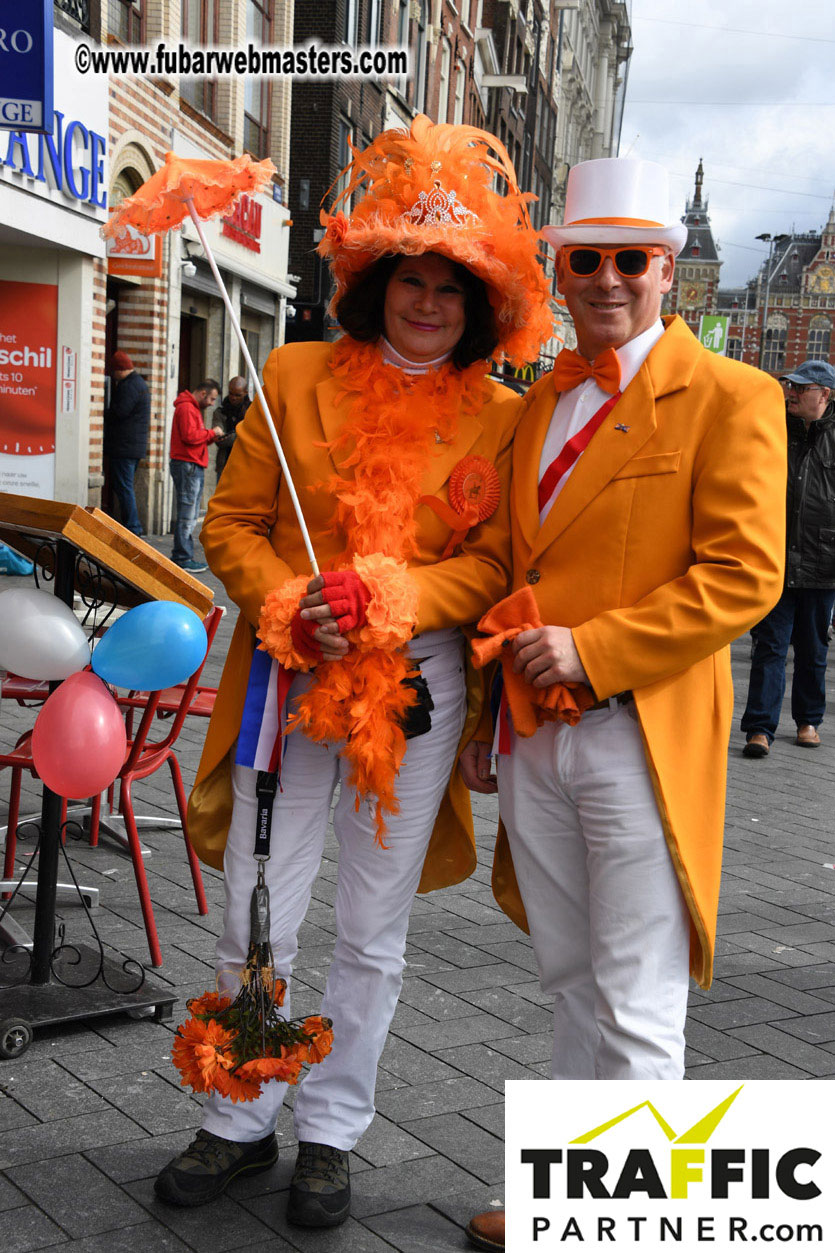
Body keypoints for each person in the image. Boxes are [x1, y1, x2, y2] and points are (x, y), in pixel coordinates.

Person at [154, 116, 553, 1227]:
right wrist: (288, 600)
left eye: (450, 287)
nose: (426, 302)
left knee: (375, 925)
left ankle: (332, 1126)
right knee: (254, 899)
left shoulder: (507, 416)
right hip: (289, 669)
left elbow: (494, 560)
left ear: (480, 305)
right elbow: (231, 524)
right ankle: (238, 1113)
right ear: (374, 281)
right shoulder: (289, 373)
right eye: (408, 279)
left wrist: (400, 599)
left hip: (413, 691)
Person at [463, 157, 786, 1253]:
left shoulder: (734, 396)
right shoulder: (539, 401)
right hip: (533, 738)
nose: (606, 279)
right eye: (583, 259)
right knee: (566, 974)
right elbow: (510, 564)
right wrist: (479, 720)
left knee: (638, 994)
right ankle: (571, 1196)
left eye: (629, 260)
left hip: (637, 733)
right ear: (558, 269)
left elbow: (744, 574)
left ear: (668, 272)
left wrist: (592, 649)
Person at [741, 358, 835, 756]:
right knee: (770, 645)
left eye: (801, 388)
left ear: (825, 395)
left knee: (813, 649)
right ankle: (759, 728)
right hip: (775, 557)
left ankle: (808, 721)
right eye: (789, 386)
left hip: (823, 559)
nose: (791, 393)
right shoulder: (774, 427)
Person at [169, 378, 222, 572]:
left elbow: (193, 438)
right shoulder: (186, 408)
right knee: (187, 513)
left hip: (191, 464)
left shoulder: (191, 408)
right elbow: (190, 436)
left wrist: (209, 437)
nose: (212, 403)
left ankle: (182, 555)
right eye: (212, 398)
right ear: (202, 393)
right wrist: (211, 432)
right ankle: (182, 556)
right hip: (188, 465)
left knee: (189, 513)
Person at [103, 350, 150, 535]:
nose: (113, 376)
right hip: (131, 446)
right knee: (124, 486)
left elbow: (119, 412)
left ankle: (132, 527)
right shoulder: (138, 383)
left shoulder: (129, 386)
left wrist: (102, 411)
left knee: (124, 487)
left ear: (120, 370)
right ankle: (131, 525)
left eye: (114, 371)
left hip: (124, 447)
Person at [214, 375, 250, 478]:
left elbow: (255, 437)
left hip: (246, 465)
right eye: (231, 393)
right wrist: (241, 434)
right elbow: (219, 439)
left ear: (245, 393)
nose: (233, 398)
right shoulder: (220, 412)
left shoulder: (252, 411)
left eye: (238, 395)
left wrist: (230, 435)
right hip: (225, 466)